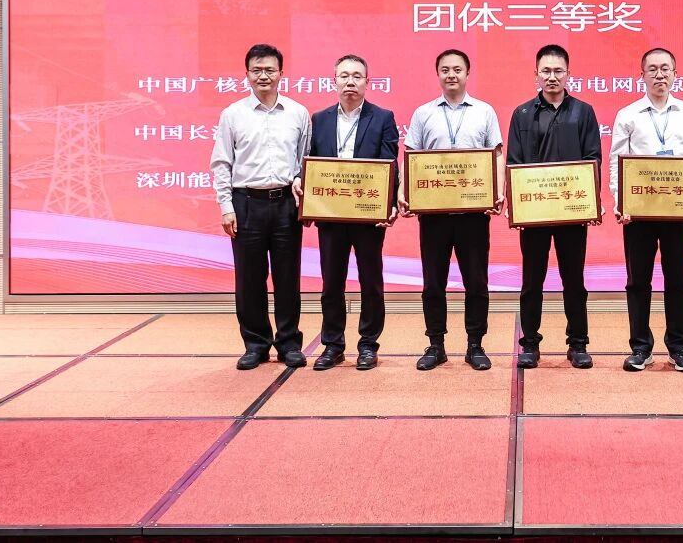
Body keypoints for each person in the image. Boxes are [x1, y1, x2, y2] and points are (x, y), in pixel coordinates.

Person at [399, 49, 505, 372]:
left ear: (467, 73)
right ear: (438, 74)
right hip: (434, 215)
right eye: (445, 69)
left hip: (473, 214)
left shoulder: (484, 111)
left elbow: (497, 154)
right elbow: (410, 157)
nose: (451, 75)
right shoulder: (423, 113)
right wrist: (404, 192)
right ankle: (436, 345)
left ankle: (475, 345)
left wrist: (498, 191)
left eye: (457, 69)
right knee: (433, 283)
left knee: (477, 282)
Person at [609, 47, 683, 374]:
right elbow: (616, 163)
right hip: (638, 212)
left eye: (665, 68)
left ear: (675, 74)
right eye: (652, 69)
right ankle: (640, 348)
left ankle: (679, 348)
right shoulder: (628, 114)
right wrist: (621, 202)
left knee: (678, 280)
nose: (659, 74)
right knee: (637, 281)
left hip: (678, 211)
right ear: (641, 75)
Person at [210, 43, 311, 370]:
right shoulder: (233, 114)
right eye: (257, 70)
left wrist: (301, 184)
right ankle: (255, 344)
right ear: (247, 74)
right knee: (249, 279)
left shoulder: (298, 113)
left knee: (288, 277)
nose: (263, 75)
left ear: (281, 73)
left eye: (269, 69)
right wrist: (226, 206)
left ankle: (289, 343)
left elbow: (305, 160)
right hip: (246, 203)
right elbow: (222, 163)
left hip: (285, 204)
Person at [295, 55, 399, 372]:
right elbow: (311, 162)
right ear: (334, 81)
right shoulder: (320, 119)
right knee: (331, 283)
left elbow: (390, 165)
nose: (350, 81)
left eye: (357, 76)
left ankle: (368, 345)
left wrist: (390, 204)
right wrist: (304, 188)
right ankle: (333, 345)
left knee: (371, 282)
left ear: (367, 82)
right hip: (331, 216)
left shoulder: (382, 117)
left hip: (369, 215)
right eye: (344, 76)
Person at [507, 44, 602, 370]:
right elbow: (514, 162)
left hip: (571, 213)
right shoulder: (522, 114)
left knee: (574, 281)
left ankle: (578, 344)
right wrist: (518, 204)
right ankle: (530, 344)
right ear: (536, 74)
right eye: (545, 71)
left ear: (568, 74)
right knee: (531, 282)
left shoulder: (583, 112)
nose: (552, 77)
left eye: (558, 71)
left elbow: (593, 159)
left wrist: (589, 202)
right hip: (534, 213)